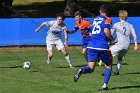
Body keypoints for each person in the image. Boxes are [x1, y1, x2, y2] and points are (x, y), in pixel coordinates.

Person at [73, 4, 112, 90]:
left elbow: (90, 33)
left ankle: (81, 70)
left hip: (91, 46)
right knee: (109, 65)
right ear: (108, 12)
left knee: (91, 68)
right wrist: (110, 39)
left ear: (100, 11)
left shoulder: (95, 19)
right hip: (102, 46)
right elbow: (106, 31)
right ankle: (104, 86)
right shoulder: (108, 19)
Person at [110, 10, 138, 75]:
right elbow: (134, 35)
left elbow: (110, 35)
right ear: (126, 17)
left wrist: (112, 40)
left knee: (107, 54)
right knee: (120, 57)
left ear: (119, 17)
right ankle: (117, 71)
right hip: (126, 46)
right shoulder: (130, 25)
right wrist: (136, 45)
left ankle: (109, 69)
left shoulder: (116, 24)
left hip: (119, 45)